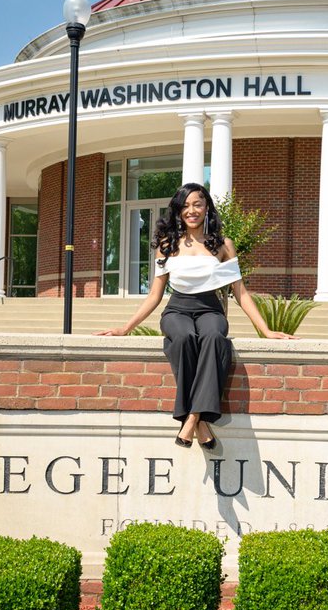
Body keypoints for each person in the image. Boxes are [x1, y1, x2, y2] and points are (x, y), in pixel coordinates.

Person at [97, 182, 295, 447]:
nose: (191, 210)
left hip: (210, 309)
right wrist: (125, 327)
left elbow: (240, 292)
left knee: (214, 338)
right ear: (178, 211)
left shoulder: (223, 245)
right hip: (177, 309)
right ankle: (200, 421)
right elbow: (155, 295)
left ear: (206, 208)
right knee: (183, 338)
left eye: (197, 204)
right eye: (185, 205)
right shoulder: (167, 245)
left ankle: (191, 418)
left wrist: (266, 330)